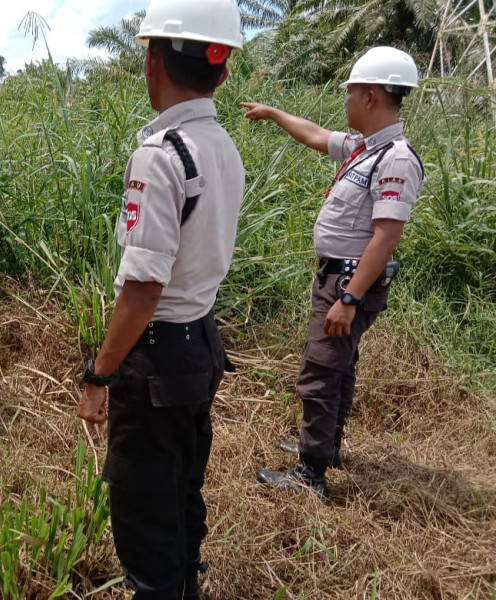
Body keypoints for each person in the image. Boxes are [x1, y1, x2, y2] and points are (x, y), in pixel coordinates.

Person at [76, 0, 245, 597]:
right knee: (180, 491)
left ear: (152, 60)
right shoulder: (222, 145)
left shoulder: (161, 153)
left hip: (156, 359)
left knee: (145, 512)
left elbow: (144, 289)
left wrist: (99, 373)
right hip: (200, 342)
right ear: (221, 71)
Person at [243, 46, 425, 499]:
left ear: (370, 97)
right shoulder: (366, 148)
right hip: (338, 277)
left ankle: (311, 473)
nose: (343, 102)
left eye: (349, 93)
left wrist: (348, 299)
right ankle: (327, 447)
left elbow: (385, 237)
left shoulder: (395, 159)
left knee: (320, 371)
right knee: (339, 367)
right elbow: (315, 135)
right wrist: (272, 112)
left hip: (348, 282)